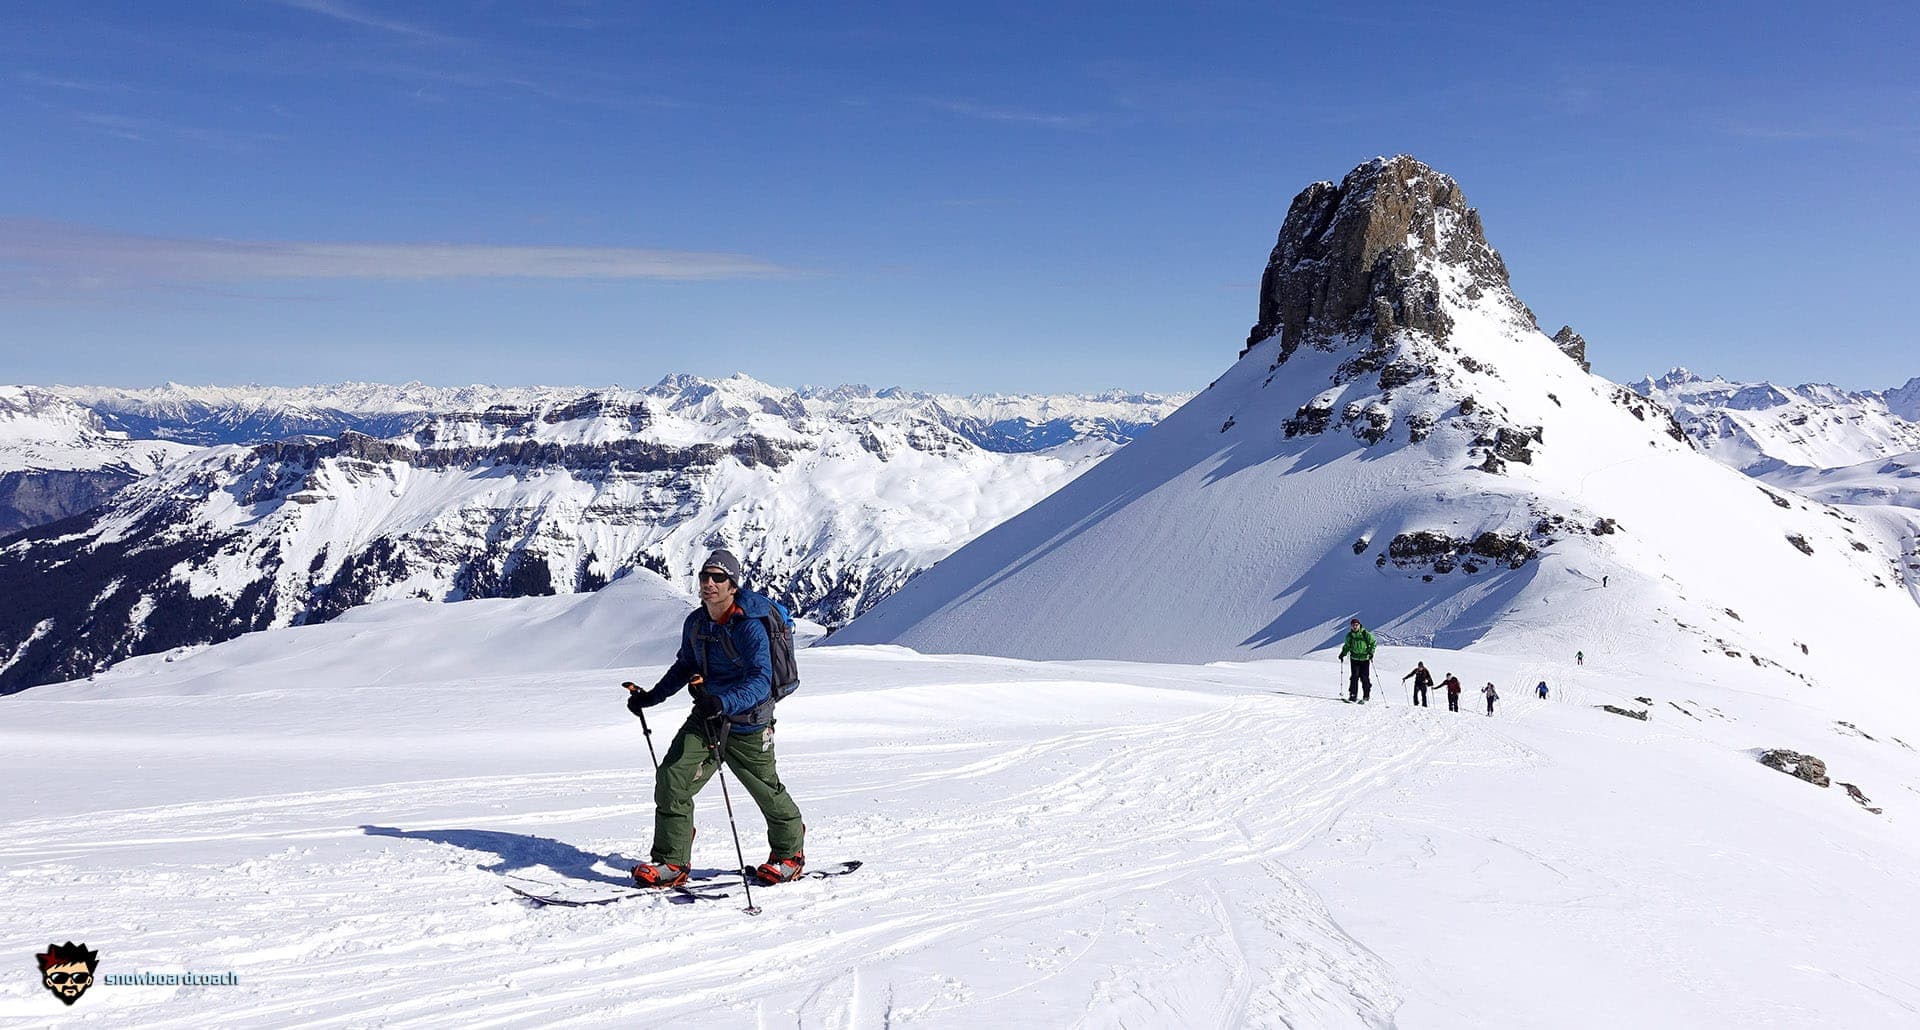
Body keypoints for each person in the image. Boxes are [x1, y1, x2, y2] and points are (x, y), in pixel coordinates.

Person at [625, 549, 806, 888]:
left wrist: (722, 701)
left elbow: (760, 680)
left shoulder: (750, 628)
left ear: (732, 585)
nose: (709, 583)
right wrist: (652, 697)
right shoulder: (696, 623)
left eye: (718, 578)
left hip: (749, 722)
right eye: (705, 576)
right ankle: (671, 861)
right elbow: (684, 665)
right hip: (708, 718)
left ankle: (788, 853)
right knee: (672, 777)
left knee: (765, 790)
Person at [1339, 617, 1377, 703]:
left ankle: (1366, 695)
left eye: (1356, 625)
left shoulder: (1365, 633)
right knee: (1354, 677)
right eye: (1353, 625)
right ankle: (1353, 696)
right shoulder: (1349, 636)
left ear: (1359, 625)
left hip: (1364, 659)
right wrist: (1343, 654)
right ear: (1351, 626)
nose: (1355, 627)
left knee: (1364, 678)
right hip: (1354, 659)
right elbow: (1347, 646)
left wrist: (1371, 652)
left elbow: (1373, 643)